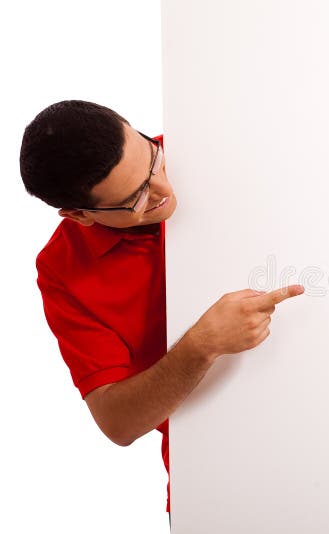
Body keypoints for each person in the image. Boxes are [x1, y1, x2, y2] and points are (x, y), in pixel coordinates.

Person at [20, 100, 304, 512]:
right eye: (136, 198)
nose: (164, 190)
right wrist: (200, 347)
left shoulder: (215, 146)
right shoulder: (62, 272)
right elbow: (118, 423)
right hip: (216, 482)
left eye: (152, 157)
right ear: (79, 215)